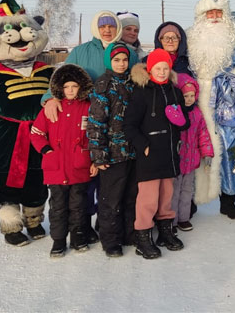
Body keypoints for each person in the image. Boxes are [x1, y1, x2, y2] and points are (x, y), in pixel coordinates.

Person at [42, 11, 139, 244]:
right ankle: (82, 225)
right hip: (83, 117)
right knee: (86, 173)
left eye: (111, 25)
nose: (107, 29)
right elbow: (63, 75)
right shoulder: (81, 51)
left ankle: (110, 224)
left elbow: (138, 80)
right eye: (102, 26)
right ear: (96, 28)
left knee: (110, 178)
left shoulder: (128, 53)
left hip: (117, 123)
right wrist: (50, 98)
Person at [0, 0, 52, 246]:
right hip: (3, 139)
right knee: (5, 183)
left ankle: (34, 220)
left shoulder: (46, 71)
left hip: (38, 136)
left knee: (36, 180)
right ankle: (11, 226)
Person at [186, 0, 235, 219]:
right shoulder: (190, 38)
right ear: (202, 15)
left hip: (226, 100)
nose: (214, 17)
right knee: (194, 147)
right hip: (195, 99)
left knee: (228, 149)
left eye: (219, 12)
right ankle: (191, 200)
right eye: (210, 12)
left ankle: (228, 199)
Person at [124, 48, 189, 259]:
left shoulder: (174, 91)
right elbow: (129, 125)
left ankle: (165, 231)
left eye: (165, 68)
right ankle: (142, 236)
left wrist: (181, 119)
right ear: (150, 69)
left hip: (169, 151)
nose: (162, 72)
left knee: (166, 195)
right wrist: (143, 145)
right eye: (157, 68)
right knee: (148, 198)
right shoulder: (141, 91)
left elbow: (184, 122)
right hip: (150, 153)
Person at [30, 64, 93, 258]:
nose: (71, 90)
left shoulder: (88, 108)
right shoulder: (51, 108)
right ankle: (58, 241)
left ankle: (77, 237)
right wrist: (47, 150)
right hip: (56, 168)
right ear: (60, 89)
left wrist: (93, 160)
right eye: (67, 87)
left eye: (74, 86)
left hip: (79, 167)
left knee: (79, 205)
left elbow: (95, 136)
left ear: (81, 87)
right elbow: (36, 133)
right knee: (58, 206)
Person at [87, 42, 136, 258]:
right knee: (110, 199)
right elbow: (96, 122)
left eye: (124, 60)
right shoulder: (103, 85)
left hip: (132, 151)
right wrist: (98, 155)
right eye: (116, 60)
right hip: (113, 154)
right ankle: (110, 240)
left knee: (130, 196)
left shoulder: (134, 82)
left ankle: (128, 233)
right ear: (109, 61)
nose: (121, 63)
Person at [171, 73, 214, 231]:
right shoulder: (175, 113)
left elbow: (203, 135)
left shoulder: (197, 113)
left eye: (191, 95)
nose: (188, 99)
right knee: (174, 192)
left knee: (187, 190)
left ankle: (183, 217)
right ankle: (172, 219)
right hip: (177, 160)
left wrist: (207, 152)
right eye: (185, 95)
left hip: (191, 160)